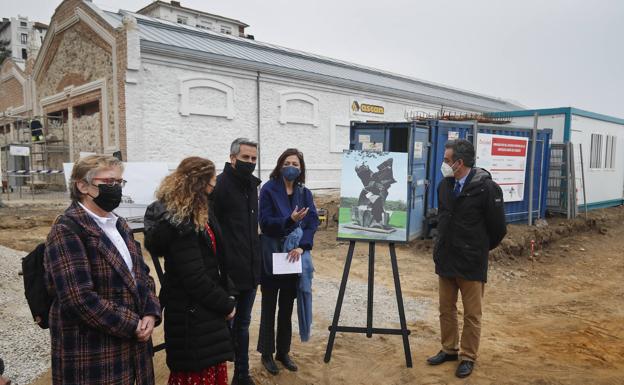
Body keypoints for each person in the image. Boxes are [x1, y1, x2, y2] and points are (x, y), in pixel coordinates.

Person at [44, 155, 161, 385]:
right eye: (109, 182)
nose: (116, 189)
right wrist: (132, 324)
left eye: (119, 182)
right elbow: (79, 298)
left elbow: (142, 275)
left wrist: (149, 312)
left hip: (134, 354)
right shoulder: (67, 229)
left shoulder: (119, 224)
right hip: (93, 357)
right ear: (82, 185)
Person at [144, 157, 237, 385]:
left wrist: (228, 292)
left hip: (204, 316)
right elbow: (194, 278)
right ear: (200, 183)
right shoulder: (181, 221)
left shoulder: (199, 212)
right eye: (212, 181)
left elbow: (216, 262)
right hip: (192, 317)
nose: (214, 186)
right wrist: (226, 305)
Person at [427, 139, 507, 378]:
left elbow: (498, 229)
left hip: (471, 262)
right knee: (446, 309)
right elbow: (442, 219)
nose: (443, 163)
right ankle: (449, 349)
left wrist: (478, 248)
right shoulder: (445, 185)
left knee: (472, 314)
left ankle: (468, 356)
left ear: (459, 163)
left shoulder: (487, 188)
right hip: (446, 259)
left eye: (446, 160)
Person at [257, 148, 318, 375]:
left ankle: (283, 351)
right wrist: (289, 219)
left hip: (294, 256)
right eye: (287, 162)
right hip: (273, 253)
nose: (291, 166)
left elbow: (312, 223)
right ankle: (266, 353)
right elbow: (265, 222)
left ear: (301, 168)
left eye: (296, 163)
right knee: (269, 305)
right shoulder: (268, 189)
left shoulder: (305, 193)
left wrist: (303, 246)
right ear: (280, 164)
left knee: (287, 306)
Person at [213, 138, 261, 385]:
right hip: (229, 273)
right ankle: (219, 375)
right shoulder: (220, 186)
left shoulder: (252, 186)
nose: (250, 163)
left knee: (243, 325)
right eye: (245, 158)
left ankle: (241, 375)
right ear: (232, 158)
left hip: (251, 271)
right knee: (225, 327)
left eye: (254, 159)